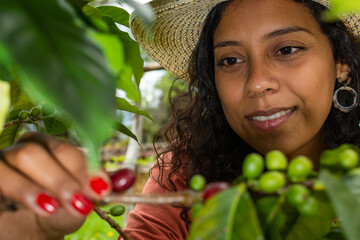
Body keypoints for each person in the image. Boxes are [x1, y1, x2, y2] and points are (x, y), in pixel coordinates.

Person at [0, 0, 359, 239]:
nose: (257, 83)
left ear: (340, 63)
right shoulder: (185, 174)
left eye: (287, 50)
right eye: (230, 60)